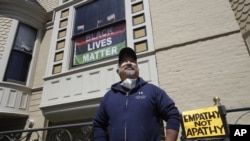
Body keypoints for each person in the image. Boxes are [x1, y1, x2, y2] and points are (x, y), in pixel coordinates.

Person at [93, 47, 181, 141]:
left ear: (138, 69)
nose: (129, 63)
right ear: (118, 71)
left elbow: (173, 114)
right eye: (123, 61)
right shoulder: (108, 97)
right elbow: (98, 125)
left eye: (133, 61)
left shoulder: (153, 91)